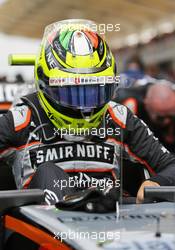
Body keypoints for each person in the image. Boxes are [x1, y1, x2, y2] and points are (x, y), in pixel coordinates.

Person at [0, 19, 175, 209]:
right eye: (71, 93)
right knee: (48, 173)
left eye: (93, 91)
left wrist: (157, 183)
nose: (83, 107)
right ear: (44, 84)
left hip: (109, 226)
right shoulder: (21, 120)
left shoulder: (118, 118)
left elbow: (170, 165)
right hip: (39, 232)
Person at [117, 80, 175, 153]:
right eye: (161, 118)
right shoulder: (127, 104)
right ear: (146, 105)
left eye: (171, 116)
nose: (167, 121)